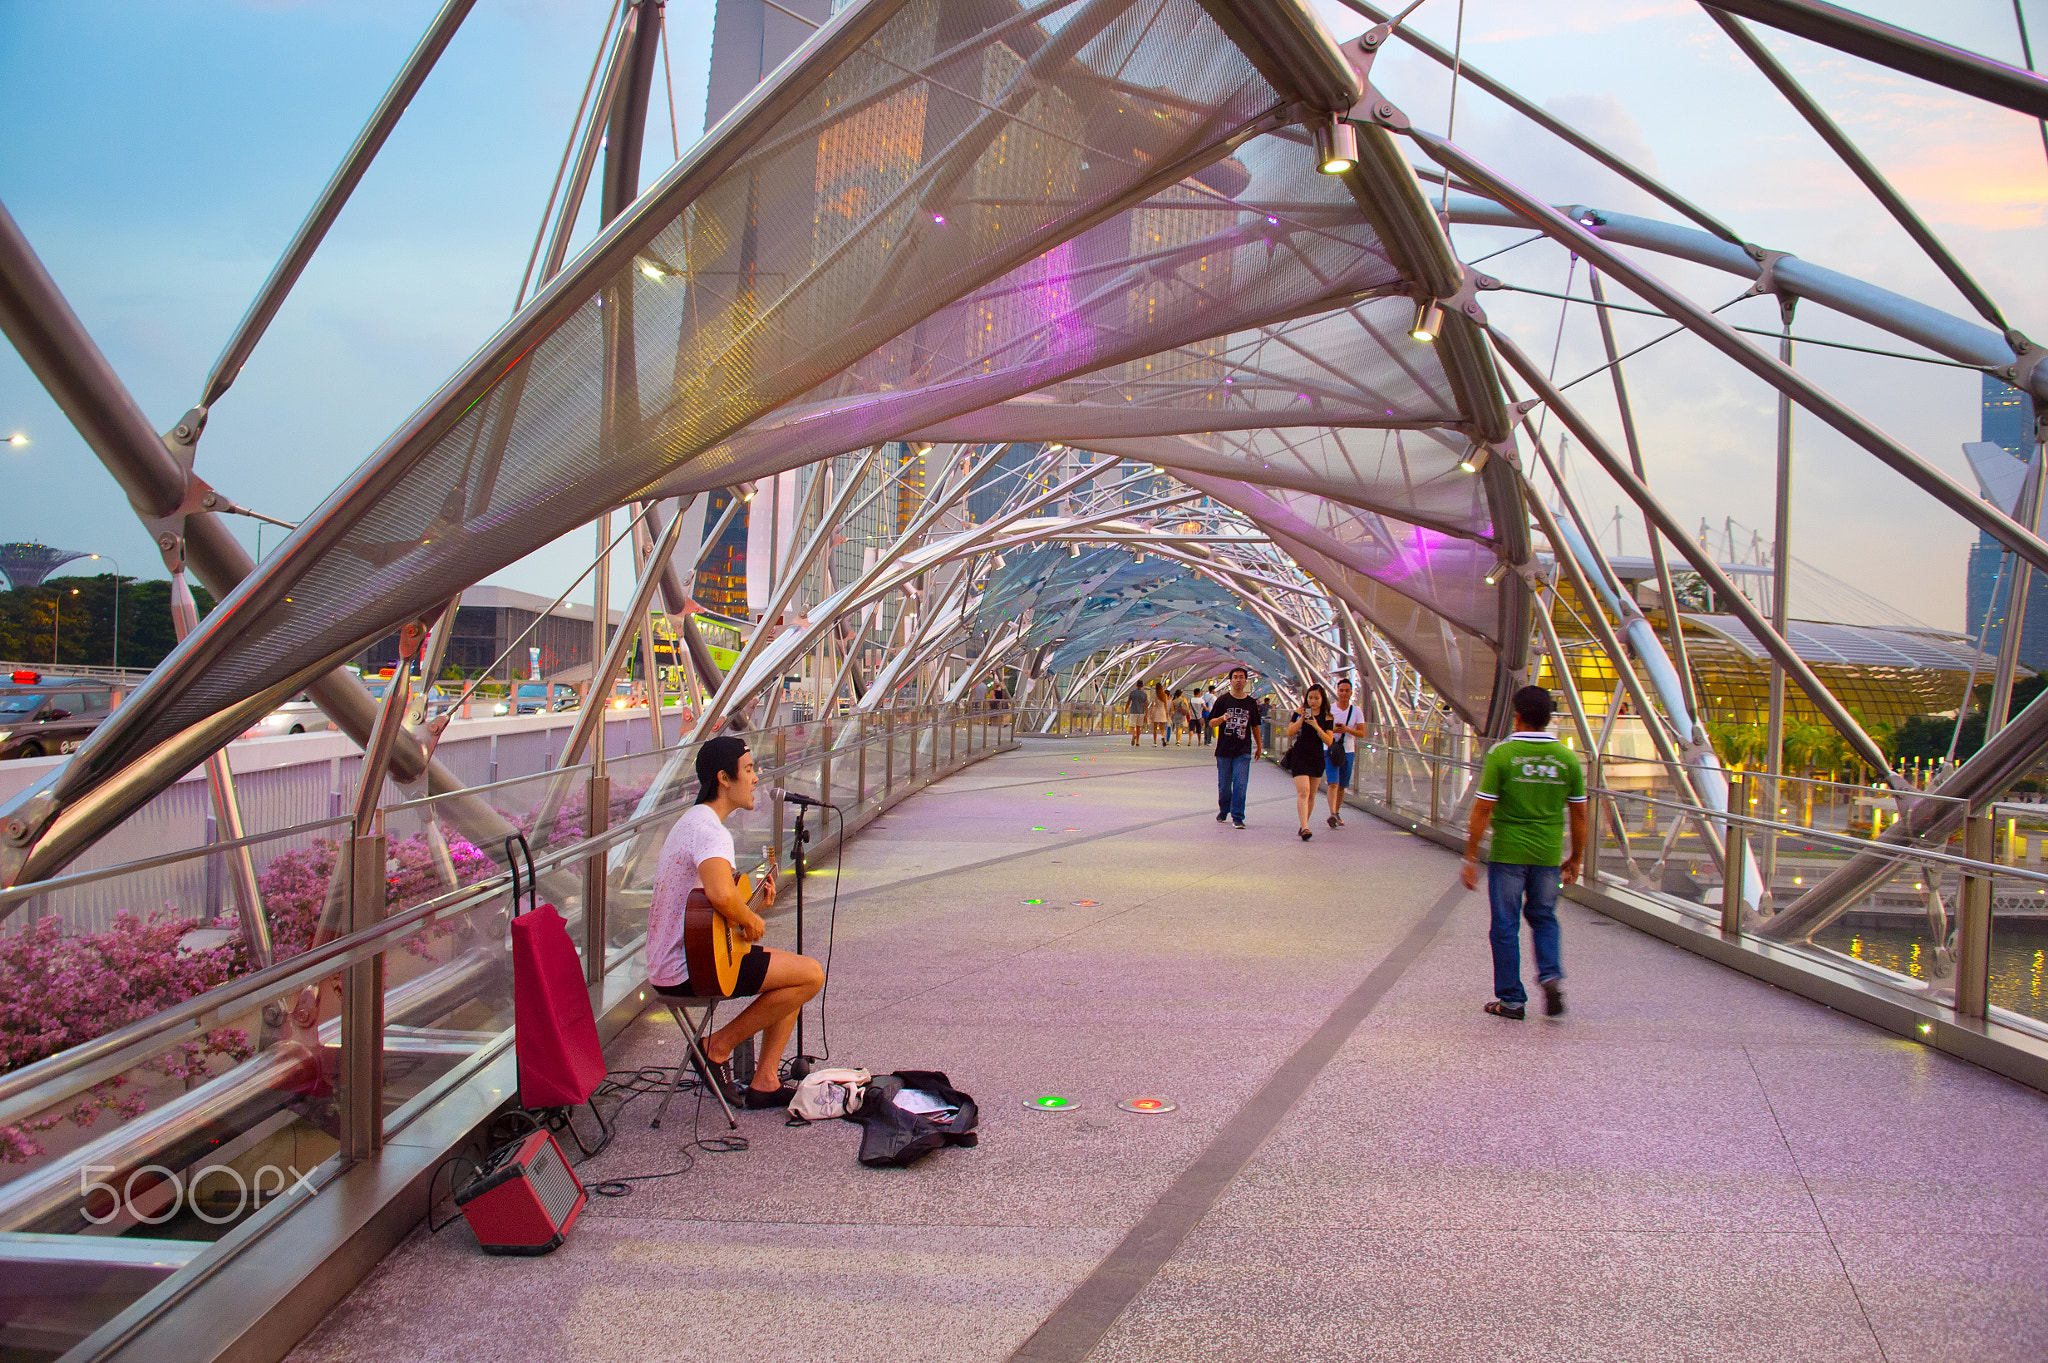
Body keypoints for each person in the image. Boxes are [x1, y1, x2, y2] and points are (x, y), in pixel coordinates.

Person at [646, 735, 826, 1106]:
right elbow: (721, 895)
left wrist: (752, 906)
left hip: (680, 959)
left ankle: (765, 1082)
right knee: (809, 975)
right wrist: (750, 919)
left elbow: (713, 908)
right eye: (748, 769)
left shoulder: (694, 821)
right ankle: (717, 1046)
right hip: (689, 968)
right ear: (724, 778)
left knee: (793, 975)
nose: (756, 778)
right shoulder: (711, 830)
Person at [1460, 686, 1587, 1020]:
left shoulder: (1502, 754)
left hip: (1508, 854)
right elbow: (1579, 814)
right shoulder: (1566, 758)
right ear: (1548, 718)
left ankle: (1512, 1000)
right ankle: (1550, 975)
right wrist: (1575, 858)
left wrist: (1470, 857)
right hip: (1547, 856)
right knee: (1544, 917)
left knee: (1505, 924)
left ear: (1516, 716)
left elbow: (1482, 810)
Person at [1207, 666, 1263, 828]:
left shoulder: (1251, 703)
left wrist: (1259, 746)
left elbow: (1255, 726)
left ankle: (1238, 816)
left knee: (1240, 784)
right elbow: (1211, 723)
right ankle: (1224, 809)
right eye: (1235, 677)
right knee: (1224, 786)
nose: (1238, 680)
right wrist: (1222, 719)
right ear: (1230, 681)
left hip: (1243, 750)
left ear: (1246, 681)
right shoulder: (1222, 700)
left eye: (1241, 677)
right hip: (1224, 749)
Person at [1283, 684, 1336, 841]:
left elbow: (1329, 740)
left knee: (1311, 794)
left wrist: (1316, 726)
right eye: (1310, 698)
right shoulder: (1299, 712)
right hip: (1300, 755)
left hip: (1317, 756)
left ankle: (1303, 824)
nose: (1313, 701)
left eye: (1316, 698)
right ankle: (1305, 827)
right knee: (1304, 791)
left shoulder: (1327, 717)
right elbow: (1290, 731)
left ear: (1322, 699)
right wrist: (1301, 719)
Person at [1325, 677, 1367, 828]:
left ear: (1351, 693)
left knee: (1342, 784)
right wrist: (1335, 730)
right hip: (1330, 749)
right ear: (1337, 691)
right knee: (1333, 783)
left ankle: (1336, 811)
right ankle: (1332, 813)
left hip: (1348, 750)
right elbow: (1323, 729)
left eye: (1346, 691)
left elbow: (1362, 732)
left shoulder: (1356, 711)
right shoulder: (1330, 709)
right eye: (1341, 690)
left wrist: (1347, 729)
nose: (1343, 693)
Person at [1148, 680, 1170, 746]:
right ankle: (1163, 737)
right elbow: (1166, 705)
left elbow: (1153, 704)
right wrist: (1167, 713)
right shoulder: (1164, 695)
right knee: (1162, 728)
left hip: (1156, 711)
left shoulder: (1155, 695)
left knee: (1154, 728)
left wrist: (1151, 713)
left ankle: (1155, 742)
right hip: (1162, 711)